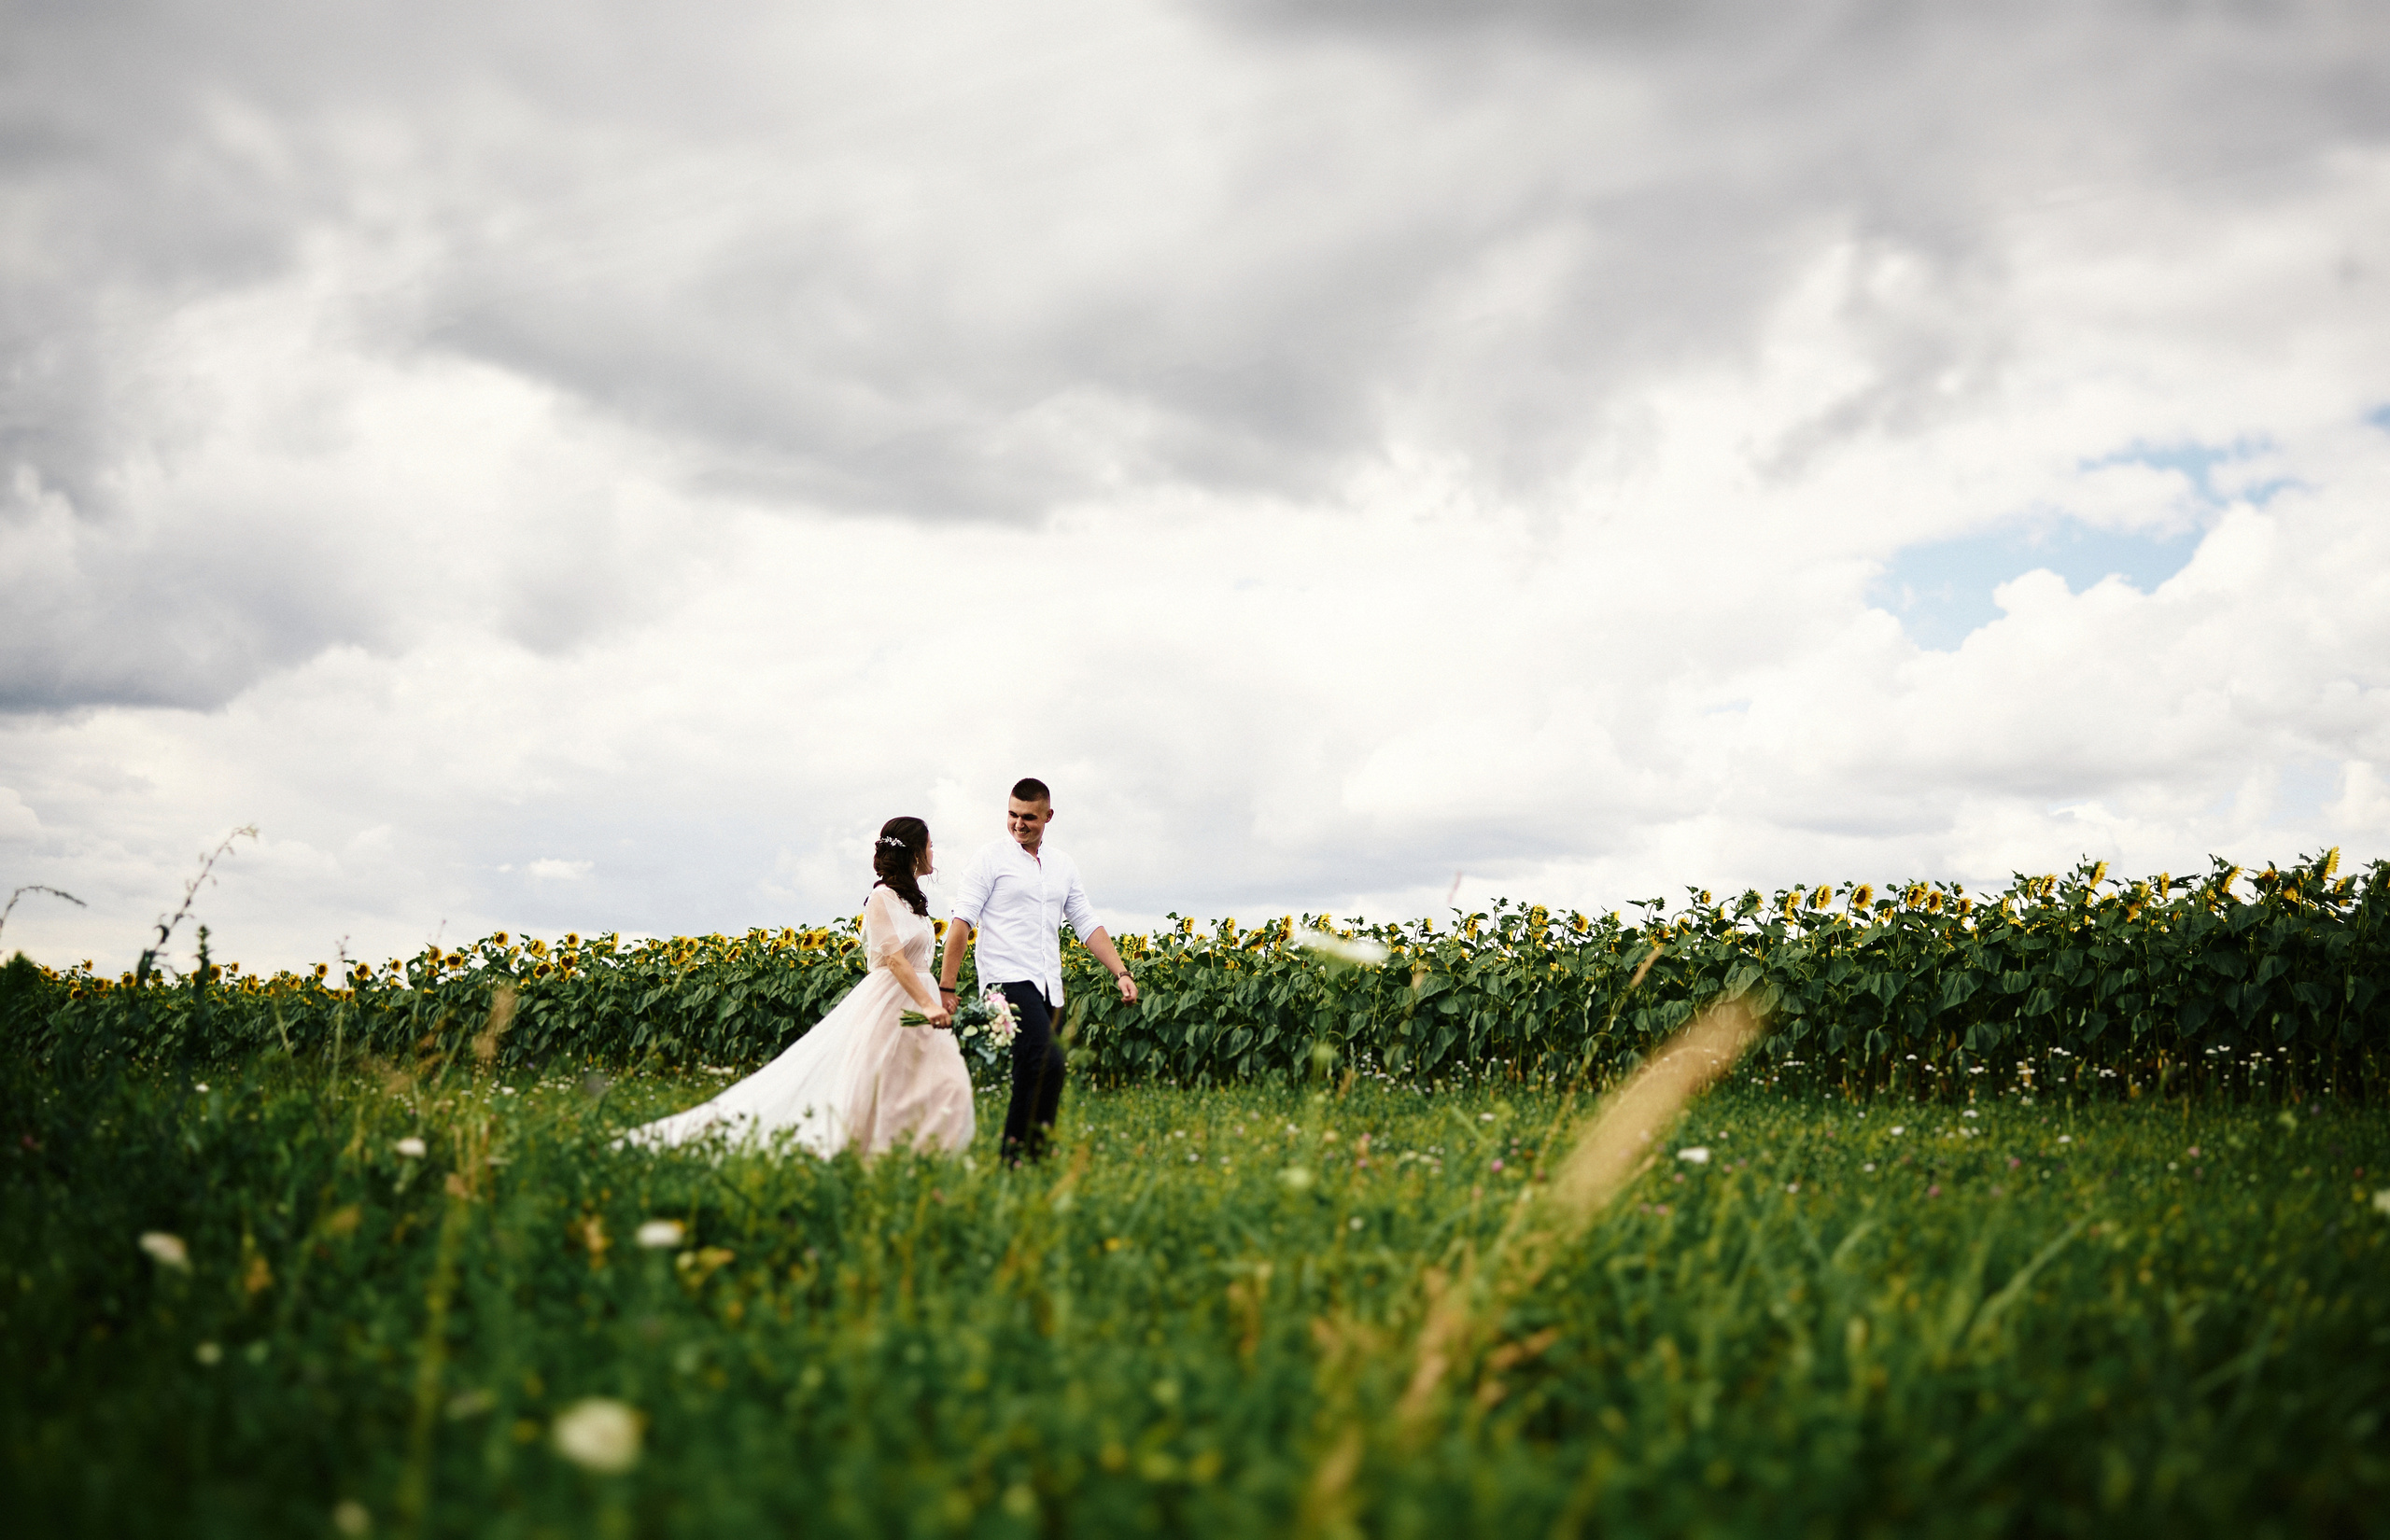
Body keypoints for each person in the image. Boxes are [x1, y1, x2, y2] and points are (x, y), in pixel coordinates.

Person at [623, 817, 975, 1158]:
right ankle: (870, 1154)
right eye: (929, 845)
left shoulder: (912, 902)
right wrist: (927, 1005)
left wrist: (937, 996)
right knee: (882, 1084)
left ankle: (918, 1154)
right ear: (914, 851)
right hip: (892, 1001)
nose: (933, 852)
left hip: (921, 996)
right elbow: (895, 960)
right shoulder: (881, 898)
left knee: (945, 1083)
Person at [938, 777, 1137, 1161]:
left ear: (1048, 815)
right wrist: (947, 987)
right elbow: (961, 922)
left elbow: (1086, 922)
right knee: (1046, 1060)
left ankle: (1034, 1157)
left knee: (1047, 1073)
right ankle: (1012, 1160)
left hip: (1049, 988)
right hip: (1004, 983)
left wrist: (1121, 972)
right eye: (1012, 814)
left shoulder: (1063, 865)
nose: (1018, 824)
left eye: (1028, 817)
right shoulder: (989, 858)